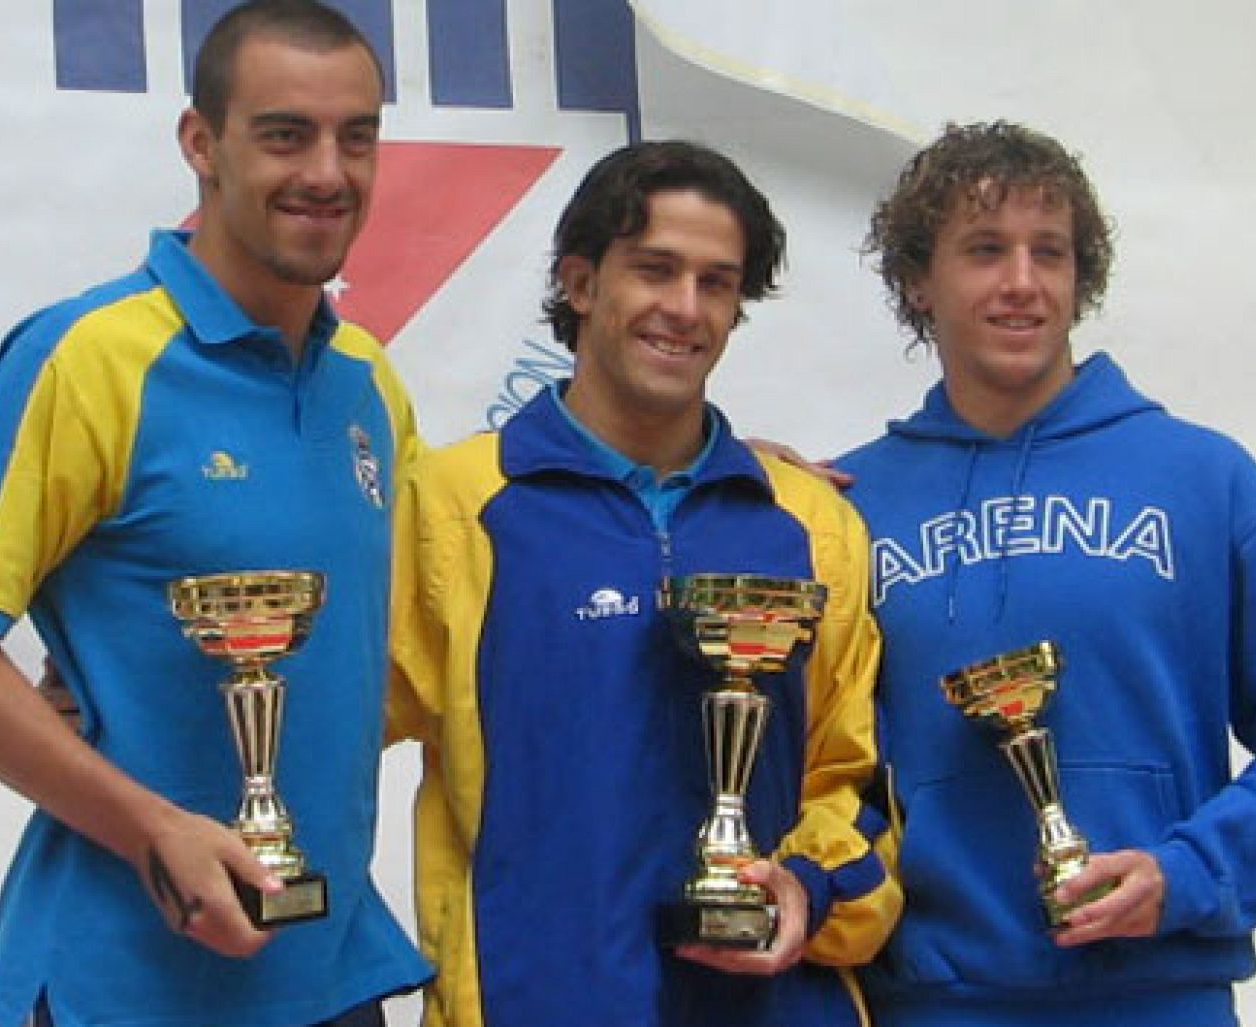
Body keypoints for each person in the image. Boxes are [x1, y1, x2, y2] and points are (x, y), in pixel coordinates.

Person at [0, 3, 431, 1025]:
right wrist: (151, 826)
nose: (327, 171)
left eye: (357, 136)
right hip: (122, 983)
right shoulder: (90, 355)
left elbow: (435, 599)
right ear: (200, 142)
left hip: (326, 973)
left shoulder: (367, 381)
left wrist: (703, 456)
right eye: (284, 133)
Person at [834, 120, 1256, 1026]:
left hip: (1159, 992)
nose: (1021, 282)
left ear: (1080, 278)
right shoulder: (850, 508)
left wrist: (1195, 870)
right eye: (984, 250)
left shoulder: (1207, 480)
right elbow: (812, 767)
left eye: (1049, 252)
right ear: (918, 282)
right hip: (932, 999)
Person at [385, 139, 902, 1027]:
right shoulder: (450, 508)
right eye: (654, 270)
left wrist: (808, 889)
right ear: (580, 283)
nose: (684, 308)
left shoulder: (809, 525)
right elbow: (322, 732)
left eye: (717, 281)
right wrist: (121, 696)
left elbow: (854, 780)